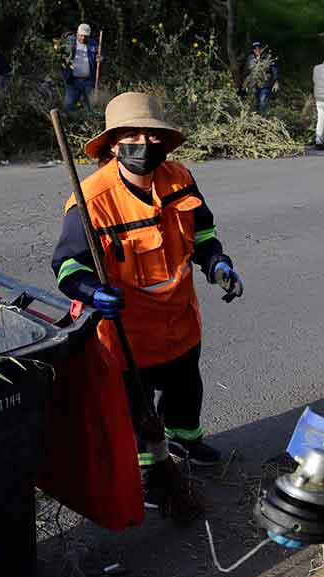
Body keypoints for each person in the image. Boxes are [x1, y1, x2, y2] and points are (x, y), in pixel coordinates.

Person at [50, 92, 244, 508]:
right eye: (131, 135)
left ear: (164, 140)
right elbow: (67, 267)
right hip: (127, 336)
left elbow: (204, 232)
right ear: (113, 145)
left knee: (186, 391)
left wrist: (218, 264)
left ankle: (187, 442)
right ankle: (153, 472)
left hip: (179, 320)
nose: (143, 143)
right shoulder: (91, 201)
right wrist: (92, 292)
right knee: (138, 411)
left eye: (151, 135)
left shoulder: (180, 178)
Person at [61, 23, 100, 114]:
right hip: (73, 81)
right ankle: (71, 122)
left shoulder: (93, 44)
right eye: (81, 35)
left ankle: (90, 123)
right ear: (77, 33)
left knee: (91, 106)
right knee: (68, 106)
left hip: (88, 81)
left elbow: (101, 56)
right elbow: (60, 57)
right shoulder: (70, 43)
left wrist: (101, 58)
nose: (83, 38)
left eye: (85, 36)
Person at [244, 41, 280, 114]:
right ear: (253, 50)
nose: (257, 50)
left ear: (262, 48)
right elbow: (246, 71)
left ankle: (263, 118)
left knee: (263, 101)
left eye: (259, 48)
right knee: (254, 103)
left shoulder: (268, 58)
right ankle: (255, 119)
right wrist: (245, 83)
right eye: (255, 48)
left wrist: (276, 81)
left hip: (265, 84)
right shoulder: (250, 58)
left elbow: (275, 70)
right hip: (253, 85)